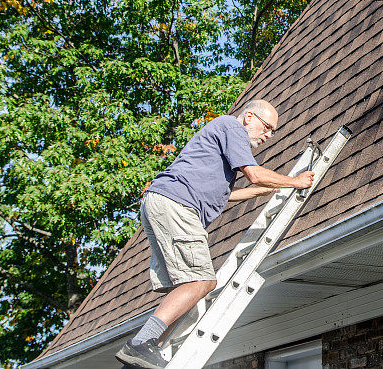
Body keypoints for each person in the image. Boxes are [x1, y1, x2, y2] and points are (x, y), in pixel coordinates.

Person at [116, 100, 314, 369]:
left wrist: (266, 191)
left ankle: (138, 358)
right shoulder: (231, 126)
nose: (269, 135)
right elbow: (254, 175)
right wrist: (295, 182)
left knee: (187, 289)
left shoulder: (219, 144)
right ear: (249, 117)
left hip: (165, 201)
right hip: (177, 204)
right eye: (267, 127)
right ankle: (140, 344)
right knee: (202, 281)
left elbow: (224, 196)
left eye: (273, 132)